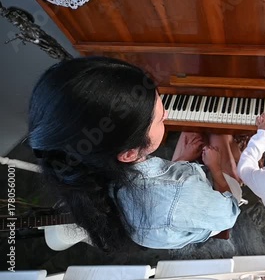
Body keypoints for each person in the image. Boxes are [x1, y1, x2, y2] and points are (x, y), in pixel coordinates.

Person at [28, 56, 240, 251]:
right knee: (221, 140)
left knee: (204, 133)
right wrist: (215, 168)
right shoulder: (180, 193)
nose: (166, 113)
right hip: (198, 214)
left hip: (170, 207)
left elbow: (155, 188)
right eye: (159, 119)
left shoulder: (91, 171)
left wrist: (181, 159)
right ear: (128, 154)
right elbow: (229, 215)